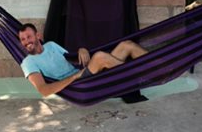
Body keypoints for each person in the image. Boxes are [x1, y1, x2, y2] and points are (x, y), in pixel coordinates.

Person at [18, 23, 148, 97]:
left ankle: (159, 65)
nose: (26, 42)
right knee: (99, 56)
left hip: (85, 74)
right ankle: (140, 73)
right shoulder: (28, 62)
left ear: (38, 36)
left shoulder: (51, 45)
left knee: (127, 45)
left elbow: (73, 59)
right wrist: (74, 77)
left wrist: (82, 50)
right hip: (77, 86)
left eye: (29, 37)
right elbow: (44, 90)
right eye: (23, 39)